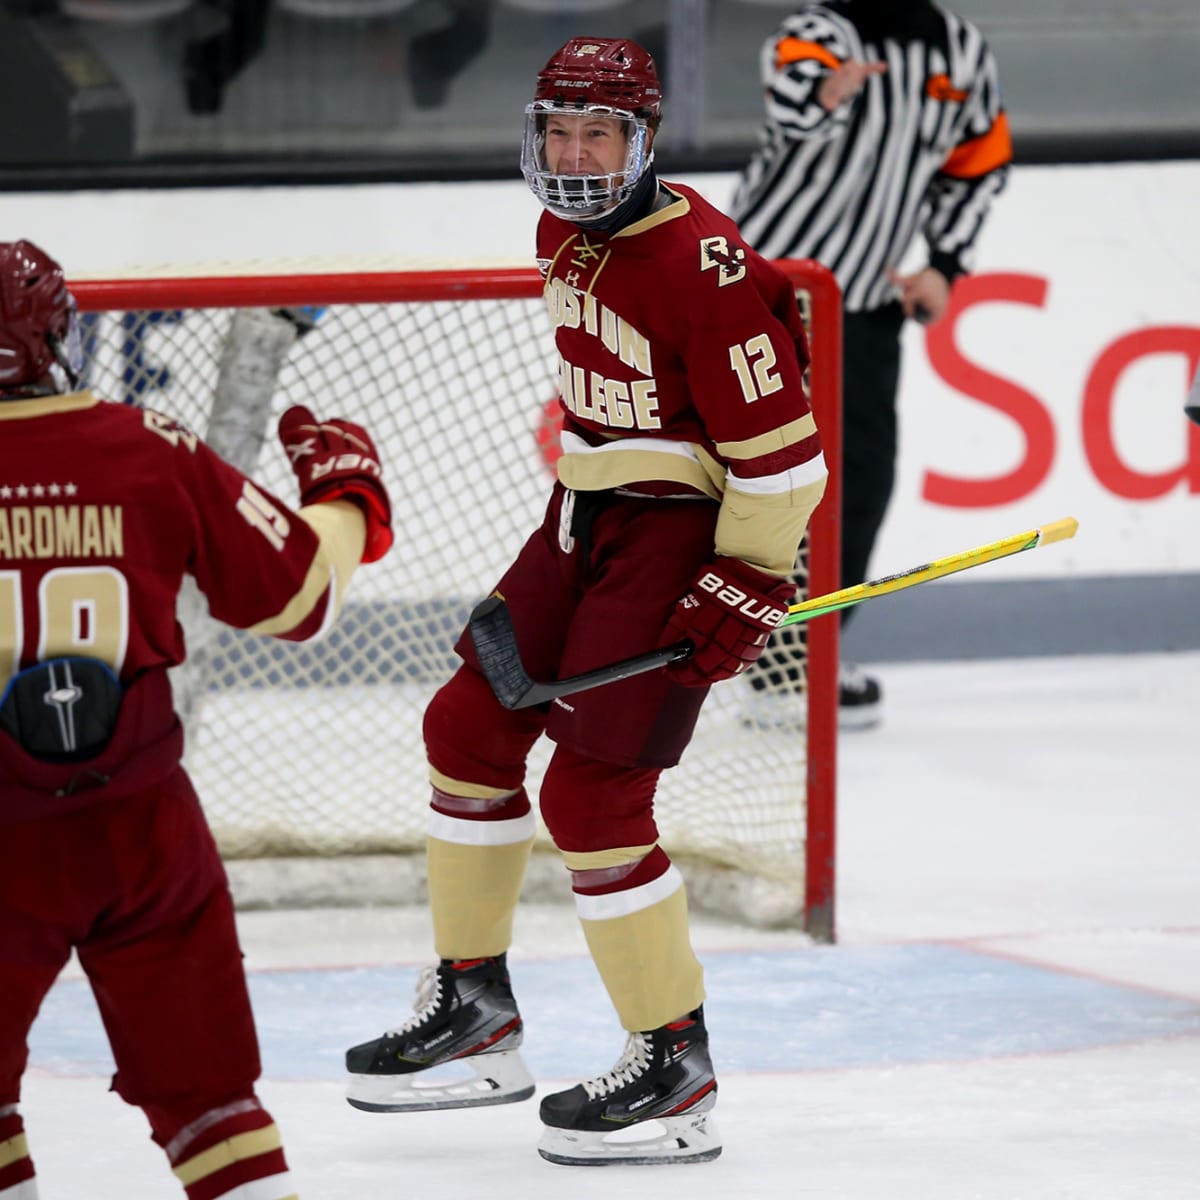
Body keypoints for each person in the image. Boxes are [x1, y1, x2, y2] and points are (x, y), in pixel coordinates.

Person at [343, 36, 827, 1166]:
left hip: (676, 530)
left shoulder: (703, 266)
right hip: (585, 512)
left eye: (597, 134)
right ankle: (476, 1012)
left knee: (596, 799)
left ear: (645, 140)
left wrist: (749, 577)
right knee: (466, 724)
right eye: (556, 131)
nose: (571, 156)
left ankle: (673, 1064)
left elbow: (786, 462)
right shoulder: (561, 227)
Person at [0, 239, 393, 1200]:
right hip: (141, 832)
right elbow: (303, 598)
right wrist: (349, 497)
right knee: (216, 1115)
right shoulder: (147, 445)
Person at [731, 0, 1012, 729]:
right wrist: (825, 97)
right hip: (758, 297)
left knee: (858, 485)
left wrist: (946, 264)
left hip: (861, 309)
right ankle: (700, 645)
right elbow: (790, 95)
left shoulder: (960, 48)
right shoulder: (820, 32)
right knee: (746, 480)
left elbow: (979, 162)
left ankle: (794, 658)